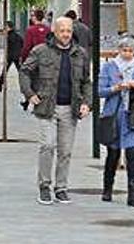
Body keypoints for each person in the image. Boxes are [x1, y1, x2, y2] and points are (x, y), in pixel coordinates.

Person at [19, 17, 92, 206]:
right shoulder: (41, 51)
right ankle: (44, 186)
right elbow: (24, 71)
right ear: (55, 31)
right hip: (47, 107)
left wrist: (87, 103)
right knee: (47, 146)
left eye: (68, 31)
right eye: (62, 31)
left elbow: (86, 81)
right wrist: (30, 94)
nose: (66, 34)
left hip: (70, 108)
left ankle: (61, 187)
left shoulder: (80, 54)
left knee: (65, 150)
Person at [100, 36, 134, 208]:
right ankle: (107, 188)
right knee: (113, 153)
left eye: (131, 51)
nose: (127, 54)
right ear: (119, 50)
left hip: (133, 116)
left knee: (132, 154)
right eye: (124, 50)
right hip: (114, 115)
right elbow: (100, 91)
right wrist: (116, 88)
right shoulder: (109, 67)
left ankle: (133, 193)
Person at [0, 21, 24, 93]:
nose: (5, 28)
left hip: (10, 56)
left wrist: (5, 57)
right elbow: (23, 44)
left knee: (5, 71)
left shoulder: (9, 36)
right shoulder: (18, 36)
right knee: (21, 72)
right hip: (18, 56)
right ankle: (26, 86)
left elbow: (7, 48)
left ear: (9, 27)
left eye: (6, 27)